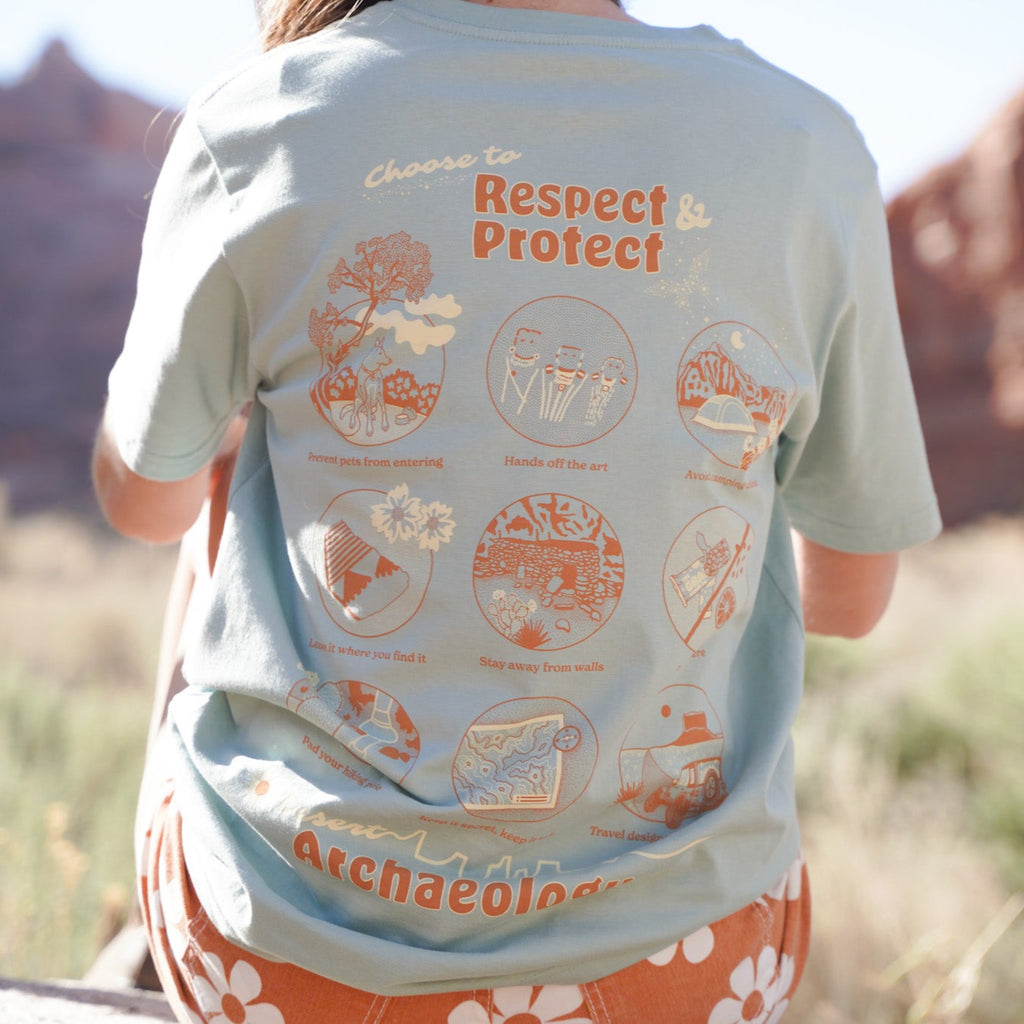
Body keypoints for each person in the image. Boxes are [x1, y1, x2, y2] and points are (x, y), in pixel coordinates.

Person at [92, 0, 942, 1021]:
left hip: (287, 963)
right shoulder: (807, 147)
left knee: (224, 489)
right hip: (683, 966)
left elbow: (143, 504)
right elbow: (848, 601)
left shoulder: (260, 119)